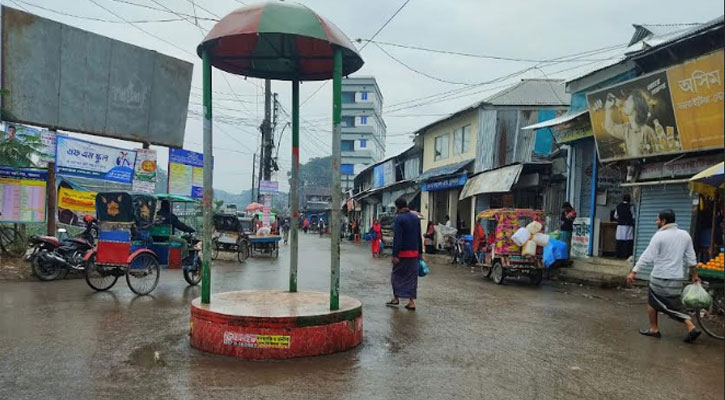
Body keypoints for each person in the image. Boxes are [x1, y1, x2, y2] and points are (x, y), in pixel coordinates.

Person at [626, 209, 701, 343]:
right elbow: (691, 258)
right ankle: (658, 328)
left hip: (659, 277)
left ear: (664, 221)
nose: (656, 222)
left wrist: (634, 271)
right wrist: (694, 275)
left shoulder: (659, 236)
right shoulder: (685, 235)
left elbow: (648, 255)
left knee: (658, 303)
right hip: (677, 278)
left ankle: (686, 326)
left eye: (657, 219)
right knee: (671, 303)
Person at [387, 198, 422, 311]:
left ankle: (396, 298)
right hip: (414, 253)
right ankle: (411, 302)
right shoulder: (415, 217)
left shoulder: (399, 219)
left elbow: (398, 238)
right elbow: (418, 236)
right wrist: (420, 252)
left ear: (398, 207)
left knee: (396, 276)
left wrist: (395, 255)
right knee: (412, 277)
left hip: (402, 254)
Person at [603, 90, 660, 158]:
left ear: (637, 106)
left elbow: (658, 153)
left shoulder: (647, 131)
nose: (625, 102)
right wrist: (608, 108)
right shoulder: (626, 129)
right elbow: (610, 127)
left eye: (629, 101)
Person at [613, 194, 635, 259]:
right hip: (628, 225)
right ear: (629, 200)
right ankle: (626, 255)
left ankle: (618, 254)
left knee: (619, 239)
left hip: (620, 225)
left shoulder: (618, 206)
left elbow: (615, 216)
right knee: (628, 240)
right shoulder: (630, 207)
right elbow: (633, 216)